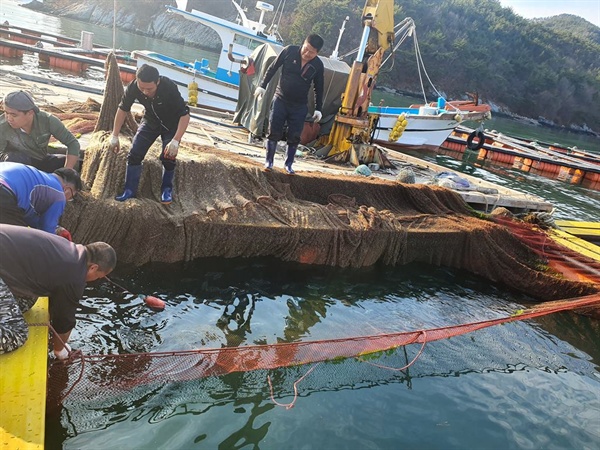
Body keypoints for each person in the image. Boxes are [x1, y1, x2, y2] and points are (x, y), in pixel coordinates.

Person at [0, 224, 117, 358]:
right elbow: (64, 320)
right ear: (93, 268)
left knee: (28, 300)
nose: (95, 280)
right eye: (98, 277)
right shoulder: (74, 276)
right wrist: (60, 350)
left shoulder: (69, 250)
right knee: (17, 334)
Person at [109, 64, 190, 204]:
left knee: (168, 156)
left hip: (172, 123)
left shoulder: (168, 86)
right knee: (134, 153)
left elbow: (185, 115)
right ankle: (129, 191)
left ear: (157, 81)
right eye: (142, 88)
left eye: (149, 89)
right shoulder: (134, 86)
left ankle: (166, 190)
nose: (145, 92)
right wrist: (115, 136)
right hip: (151, 121)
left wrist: (176, 140)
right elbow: (122, 109)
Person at [254, 33, 325, 174]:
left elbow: (319, 87)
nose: (307, 53)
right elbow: (272, 68)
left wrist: (318, 109)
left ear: (317, 53)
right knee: (274, 131)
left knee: (294, 136)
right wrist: (262, 85)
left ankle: (289, 164)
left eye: (311, 52)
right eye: (306, 48)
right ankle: (269, 161)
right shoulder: (289, 51)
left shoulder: (318, 65)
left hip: (299, 106)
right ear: (303, 44)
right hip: (280, 99)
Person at [0, 90, 81, 172]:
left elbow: (73, 143)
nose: (9, 118)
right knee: (15, 159)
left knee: (69, 163)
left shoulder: (48, 120)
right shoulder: (2, 126)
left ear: (30, 113)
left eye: (14, 115)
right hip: (12, 165)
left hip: (39, 160)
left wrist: (66, 172)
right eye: (6, 113)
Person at [0, 162, 82, 237]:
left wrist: (56, 229)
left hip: (5, 187)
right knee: (18, 240)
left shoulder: (40, 178)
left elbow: (28, 216)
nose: (68, 200)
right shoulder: (59, 195)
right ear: (66, 189)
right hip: (4, 192)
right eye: (71, 197)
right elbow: (46, 232)